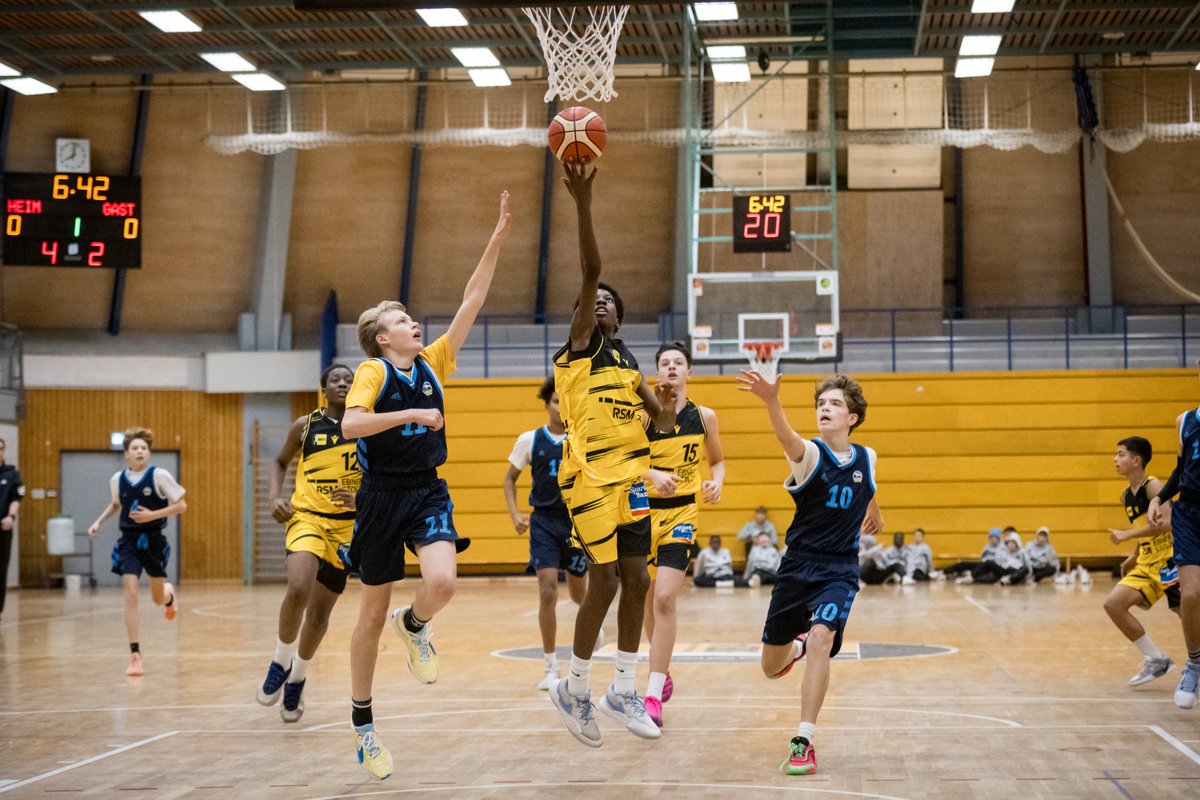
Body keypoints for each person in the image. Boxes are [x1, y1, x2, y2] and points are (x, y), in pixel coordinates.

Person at [341, 190, 512, 780]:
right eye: (400, 320)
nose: (413, 322)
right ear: (384, 339)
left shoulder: (435, 361)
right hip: (381, 496)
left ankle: (414, 627)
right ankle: (364, 728)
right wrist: (410, 416)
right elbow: (351, 424)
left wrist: (497, 237)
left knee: (442, 581)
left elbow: (473, 298)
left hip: (426, 489)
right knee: (368, 614)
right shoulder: (373, 371)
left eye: (410, 318)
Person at [547, 162, 676, 748]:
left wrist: (666, 401)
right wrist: (582, 202)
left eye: (607, 303)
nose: (597, 302)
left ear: (619, 319)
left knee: (637, 578)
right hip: (588, 474)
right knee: (601, 581)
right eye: (590, 300)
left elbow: (664, 419)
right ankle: (574, 683)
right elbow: (591, 268)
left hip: (631, 475)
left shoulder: (628, 364)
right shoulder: (578, 349)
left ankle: (622, 685)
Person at [738, 370, 882, 776]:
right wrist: (771, 402)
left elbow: (867, 485)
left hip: (839, 569)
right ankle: (794, 648)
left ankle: (803, 739)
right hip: (798, 568)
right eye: (821, 404)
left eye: (835, 404)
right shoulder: (811, 455)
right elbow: (787, 438)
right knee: (770, 666)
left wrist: (874, 512)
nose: (825, 409)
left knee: (822, 639)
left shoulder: (867, 458)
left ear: (852, 417)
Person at [255, 364, 358, 723]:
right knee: (298, 588)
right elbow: (280, 462)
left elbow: (385, 480)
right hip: (308, 518)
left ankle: (297, 677)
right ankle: (280, 661)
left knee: (319, 614)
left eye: (349, 379)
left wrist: (364, 502)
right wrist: (273, 499)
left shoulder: (370, 428)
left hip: (347, 531)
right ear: (323, 389)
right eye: (336, 380)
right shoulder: (306, 426)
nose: (343, 383)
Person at [641, 341, 725, 727]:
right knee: (642, 595)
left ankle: (653, 691)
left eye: (678, 363)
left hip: (682, 514)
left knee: (664, 597)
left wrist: (716, 482)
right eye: (665, 363)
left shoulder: (704, 416)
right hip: (640, 512)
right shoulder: (641, 418)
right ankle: (662, 667)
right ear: (657, 373)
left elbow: (718, 460)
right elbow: (620, 462)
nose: (671, 367)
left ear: (689, 373)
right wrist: (651, 475)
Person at [502, 375, 589, 690]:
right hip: (543, 523)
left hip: (576, 523)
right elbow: (509, 479)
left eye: (565, 401)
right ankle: (550, 666)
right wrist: (515, 514)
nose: (560, 407)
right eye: (555, 401)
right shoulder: (530, 440)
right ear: (547, 403)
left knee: (580, 594)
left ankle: (592, 624)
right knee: (548, 589)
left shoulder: (582, 438)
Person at [86, 427, 187, 676]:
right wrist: (98, 521)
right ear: (127, 454)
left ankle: (168, 595)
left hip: (153, 541)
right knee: (130, 592)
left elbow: (181, 505)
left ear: (149, 453)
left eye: (144, 448)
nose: (140, 451)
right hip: (129, 541)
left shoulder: (159, 476)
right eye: (135, 448)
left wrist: (153, 515)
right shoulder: (117, 480)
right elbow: (116, 504)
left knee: (155, 598)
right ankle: (135, 655)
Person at [1105, 437, 1179, 686]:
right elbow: (1144, 527)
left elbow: (1169, 524)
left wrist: (1127, 535)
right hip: (1148, 562)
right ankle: (1156, 659)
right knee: (1113, 605)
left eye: (1121, 454)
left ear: (1136, 461)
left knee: (1187, 614)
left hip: (1171, 559)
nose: (1116, 459)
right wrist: (1135, 554)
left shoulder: (1154, 486)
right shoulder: (1126, 495)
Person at [1149, 398, 1200, 709]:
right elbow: (1181, 470)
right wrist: (1160, 499)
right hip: (1190, 514)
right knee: (1191, 594)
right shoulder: (1185, 421)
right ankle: (1194, 665)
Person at [0, 438, 24, 624]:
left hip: (3, 528)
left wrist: (11, 516)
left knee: (1, 570)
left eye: (0, 449)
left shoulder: (12, 474)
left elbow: (16, 497)